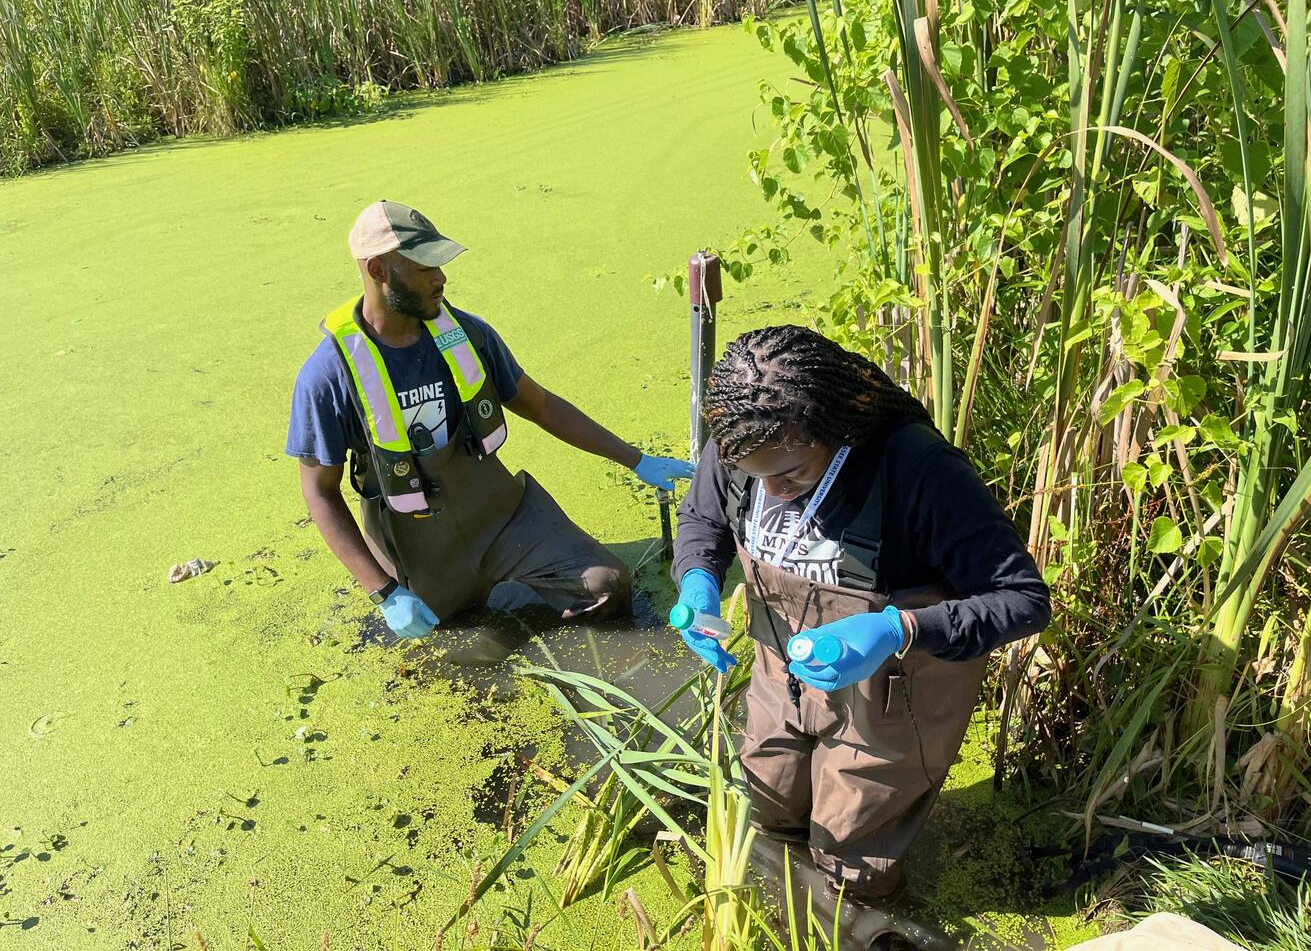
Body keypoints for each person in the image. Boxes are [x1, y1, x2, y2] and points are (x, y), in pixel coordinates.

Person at [671, 325, 1050, 913]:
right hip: (780, 669)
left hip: (891, 697)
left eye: (792, 474)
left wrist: (898, 629)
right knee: (770, 800)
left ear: (835, 431)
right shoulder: (742, 441)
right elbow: (704, 520)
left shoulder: (919, 471)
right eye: (753, 472)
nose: (770, 489)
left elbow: (1023, 600)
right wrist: (696, 581)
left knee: (855, 855)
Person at [287, 200, 693, 638]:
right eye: (425, 266)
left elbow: (542, 406)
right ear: (379, 270)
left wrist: (635, 459)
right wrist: (384, 592)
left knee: (608, 586)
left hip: (501, 517)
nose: (441, 277)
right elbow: (320, 492)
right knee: (460, 653)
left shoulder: (467, 334)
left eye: (440, 263)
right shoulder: (328, 375)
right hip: (418, 545)